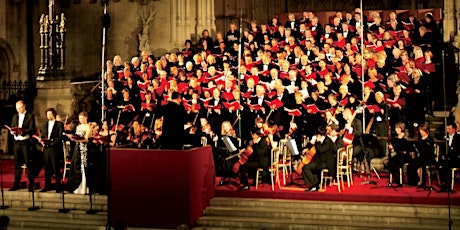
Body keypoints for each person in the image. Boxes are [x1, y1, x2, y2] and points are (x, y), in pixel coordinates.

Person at [9, 100, 36, 192]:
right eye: (17, 108)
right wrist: (12, 131)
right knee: (17, 164)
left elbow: (32, 129)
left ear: (24, 106)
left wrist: (22, 131)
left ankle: (31, 184)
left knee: (29, 163)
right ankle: (16, 184)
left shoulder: (30, 116)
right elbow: (12, 126)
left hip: (25, 143)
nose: (19, 110)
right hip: (17, 142)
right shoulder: (14, 116)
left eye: (20, 108)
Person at [302, 126, 336, 192]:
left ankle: (313, 185)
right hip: (320, 161)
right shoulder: (322, 140)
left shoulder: (327, 141)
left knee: (305, 168)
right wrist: (308, 148)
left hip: (326, 163)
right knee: (312, 167)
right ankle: (316, 185)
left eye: (317, 135)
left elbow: (320, 150)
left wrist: (317, 142)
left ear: (319, 135)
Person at [66, 112, 92, 194]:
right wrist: (73, 138)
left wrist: (78, 139)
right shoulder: (78, 127)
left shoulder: (88, 127)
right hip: (78, 148)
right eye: (80, 118)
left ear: (86, 118)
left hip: (85, 148)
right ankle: (77, 186)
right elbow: (76, 136)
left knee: (83, 166)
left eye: (82, 118)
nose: (81, 120)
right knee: (76, 166)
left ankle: (84, 187)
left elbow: (86, 139)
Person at [39, 108, 64, 192]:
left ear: (54, 114)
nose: (49, 116)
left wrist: (52, 141)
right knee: (47, 168)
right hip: (46, 148)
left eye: (50, 114)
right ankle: (47, 186)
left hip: (55, 148)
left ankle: (58, 186)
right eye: (47, 114)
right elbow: (42, 135)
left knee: (55, 168)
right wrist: (42, 141)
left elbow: (60, 137)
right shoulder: (44, 124)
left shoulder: (59, 124)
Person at [438, 122, 460, 192]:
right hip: (447, 158)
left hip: (456, 159)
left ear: (454, 129)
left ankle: (448, 185)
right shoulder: (445, 137)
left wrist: (451, 149)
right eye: (447, 129)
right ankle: (444, 183)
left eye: (449, 129)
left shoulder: (458, 137)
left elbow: (458, 150)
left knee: (446, 165)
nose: (448, 130)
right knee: (439, 164)